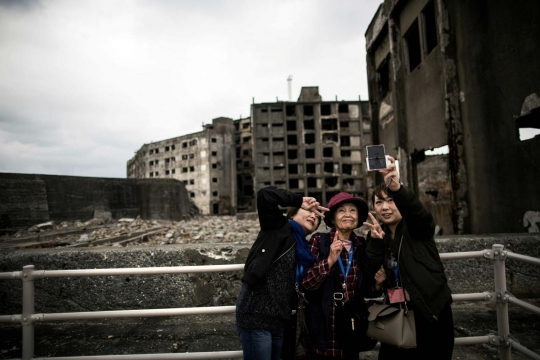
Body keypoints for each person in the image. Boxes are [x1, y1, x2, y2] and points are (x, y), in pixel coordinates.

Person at [363, 156, 454, 359]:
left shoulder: (416, 228)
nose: (385, 207)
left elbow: (418, 214)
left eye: (391, 201)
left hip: (430, 311)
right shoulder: (378, 236)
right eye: (379, 203)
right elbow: (367, 278)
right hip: (395, 313)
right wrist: (376, 244)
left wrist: (395, 186)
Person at [236, 186, 329, 360]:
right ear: (292, 214)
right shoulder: (276, 227)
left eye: (317, 217)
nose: (313, 216)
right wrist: (300, 200)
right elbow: (265, 195)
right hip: (256, 317)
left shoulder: (307, 250)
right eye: (308, 211)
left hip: (281, 322)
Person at [300, 192, 386, 360]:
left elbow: (366, 290)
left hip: (351, 327)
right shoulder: (319, 241)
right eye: (341, 210)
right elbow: (305, 283)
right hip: (325, 325)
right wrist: (330, 260)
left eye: (352, 210)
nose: (348, 214)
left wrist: (377, 285)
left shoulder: (361, 245)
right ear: (332, 218)